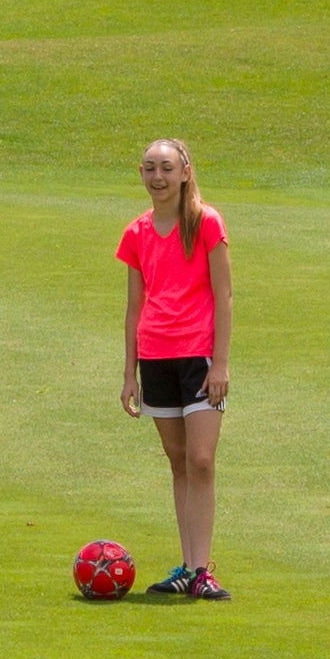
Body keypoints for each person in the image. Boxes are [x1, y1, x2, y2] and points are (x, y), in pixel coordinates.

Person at [114, 137, 232, 600]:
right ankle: (187, 565)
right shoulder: (136, 233)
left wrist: (220, 363)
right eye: (148, 168)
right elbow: (132, 308)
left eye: (165, 168)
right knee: (178, 461)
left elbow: (223, 295)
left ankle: (203, 569)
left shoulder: (205, 223)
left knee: (201, 460)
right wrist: (129, 373)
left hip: (198, 355)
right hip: (155, 355)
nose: (157, 177)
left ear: (185, 172)